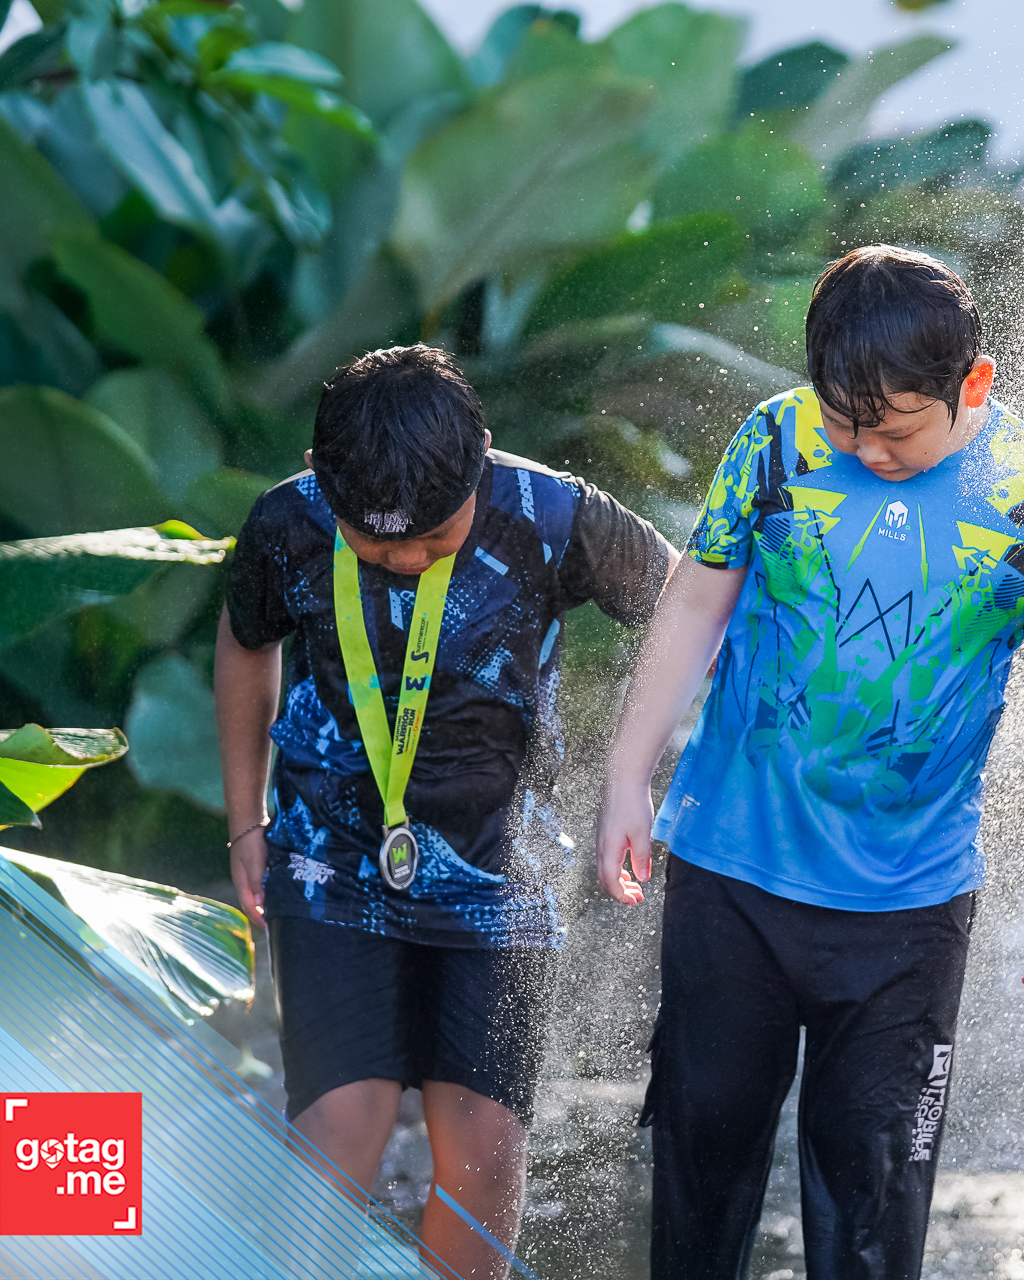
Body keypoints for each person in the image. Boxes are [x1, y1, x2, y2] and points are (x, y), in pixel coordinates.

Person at [594, 245, 1024, 1279]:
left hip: (911, 904)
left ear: (974, 384)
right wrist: (626, 776)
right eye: (845, 423)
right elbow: (697, 601)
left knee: (874, 1205)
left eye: (896, 429)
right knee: (699, 1181)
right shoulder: (777, 439)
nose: (866, 449)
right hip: (733, 871)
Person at [214, 345, 674, 1280]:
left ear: (480, 461)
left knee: (485, 1142)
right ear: (321, 480)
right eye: (378, 545)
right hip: (330, 861)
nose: (409, 557)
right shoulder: (287, 524)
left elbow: (685, 611)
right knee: (342, 1124)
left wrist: (630, 775)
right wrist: (245, 819)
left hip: (502, 875)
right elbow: (245, 640)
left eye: (435, 533)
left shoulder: (555, 516)